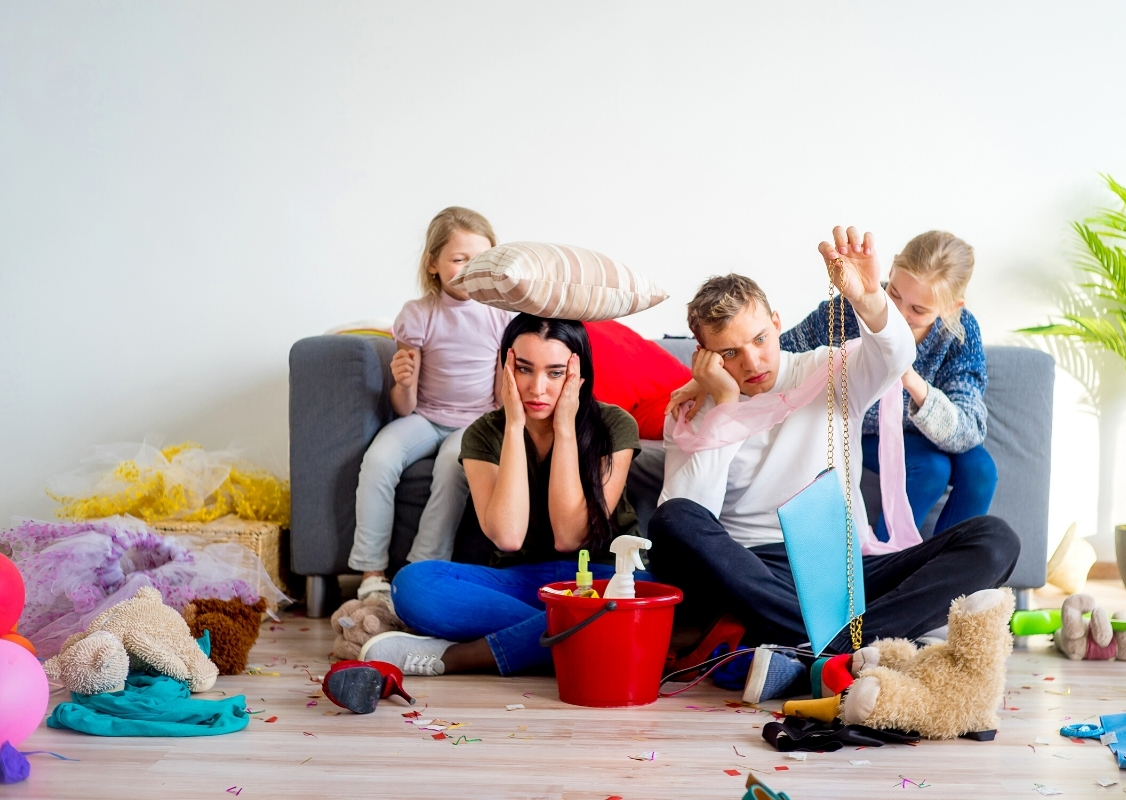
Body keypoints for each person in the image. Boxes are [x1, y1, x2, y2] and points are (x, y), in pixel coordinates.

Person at [649, 226, 1020, 702]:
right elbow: (689, 510)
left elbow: (894, 355)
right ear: (704, 355)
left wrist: (867, 299)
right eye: (730, 353)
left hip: (840, 572)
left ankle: (826, 649)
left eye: (760, 339)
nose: (753, 362)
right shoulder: (694, 411)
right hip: (751, 572)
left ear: (777, 323)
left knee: (995, 539)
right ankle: (847, 648)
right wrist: (725, 407)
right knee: (672, 519)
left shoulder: (829, 369)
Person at [360, 314, 644, 677]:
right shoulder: (484, 433)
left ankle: (462, 656)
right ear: (506, 367)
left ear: (578, 374)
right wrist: (513, 424)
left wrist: (564, 428)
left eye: (555, 373)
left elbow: (570, 536)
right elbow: (508, 537)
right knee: (412, 585)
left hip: (605, 579)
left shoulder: (614, 425)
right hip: (522, 581)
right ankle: (590, 636)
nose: (537, 388)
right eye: (524, 369)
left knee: (637, 601)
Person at [670, 230, 994, 539]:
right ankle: (891, 560)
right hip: (870, 431)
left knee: (980, 469)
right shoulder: (854, 305)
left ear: (952, 308)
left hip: (928, 431)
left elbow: (968, 429)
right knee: (931, 468)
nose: (899, 311)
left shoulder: (959, 333)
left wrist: (907, 378)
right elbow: (772, 352)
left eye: (918, 310)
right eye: (894, 293)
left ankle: (954, 564)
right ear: (891, 271)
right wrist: (708, 379)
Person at [348, 207, 514, 599]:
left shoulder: (499, 317)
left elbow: (499, 399)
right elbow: (404, 406)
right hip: (425, 417)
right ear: (433, 263)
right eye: (459, 260)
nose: (470, 270)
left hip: (476, 421)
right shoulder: (418, 314)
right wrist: (403, 382)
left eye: (480, 260)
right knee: (378, 460)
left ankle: (421, 570)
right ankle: (372, 573)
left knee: (452, 466)